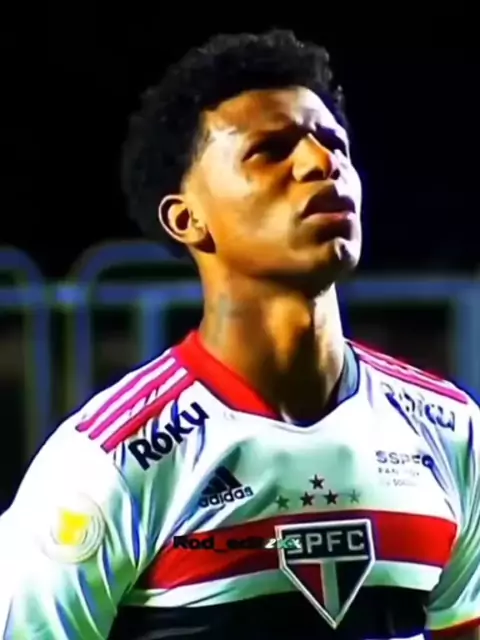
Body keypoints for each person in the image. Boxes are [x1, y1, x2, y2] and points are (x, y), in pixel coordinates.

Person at [0, 30, 478, 640]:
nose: (321, 163)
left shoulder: (452, 429)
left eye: (335, 142)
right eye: (270, 150)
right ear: (187, 219)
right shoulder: (105, 465)